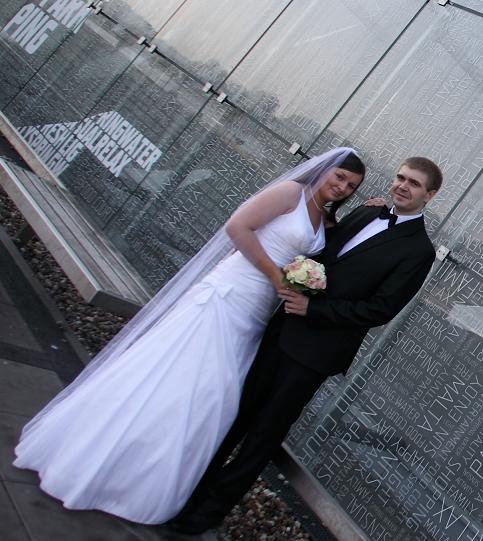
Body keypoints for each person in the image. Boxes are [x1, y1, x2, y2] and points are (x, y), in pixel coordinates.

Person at [13, 147, 365, 524]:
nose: (343, 187)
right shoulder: (291, 193)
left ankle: (148, 478)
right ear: (325, 170)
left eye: (352, 186)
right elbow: (238, 227)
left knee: (210, 394)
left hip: (257, 312)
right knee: (175, 377)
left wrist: (374, 209)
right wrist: (275, 275)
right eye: (340, 177)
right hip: (229, 294)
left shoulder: (325, 218)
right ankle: (101, 463)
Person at [170, 156, 443, 534]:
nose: (402, 185)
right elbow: (325, 253)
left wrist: (313, 309)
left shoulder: (420, 251)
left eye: (413, 183)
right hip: (282, 328)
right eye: (400, 177)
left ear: (430, 195)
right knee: (235, 415)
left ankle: (204, 515)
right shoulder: (368, 212)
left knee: (263, 436)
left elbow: (380, 309)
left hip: (315, 354)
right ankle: (185, 494)